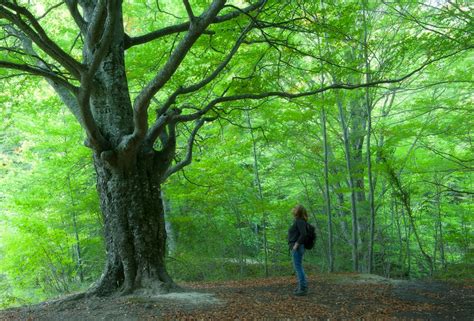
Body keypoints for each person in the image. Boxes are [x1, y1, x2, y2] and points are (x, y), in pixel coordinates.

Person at [288, 204, 308, 296]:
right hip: (296, 246)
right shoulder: (298, 221)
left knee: (298, 267)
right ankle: (302, 286)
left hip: (297, 247)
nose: (293, 209)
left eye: (295, 208)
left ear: (298, 211)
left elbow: (303, 234)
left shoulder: (299, 221)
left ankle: (303, 288)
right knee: (299, 267)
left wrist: (296, 244)